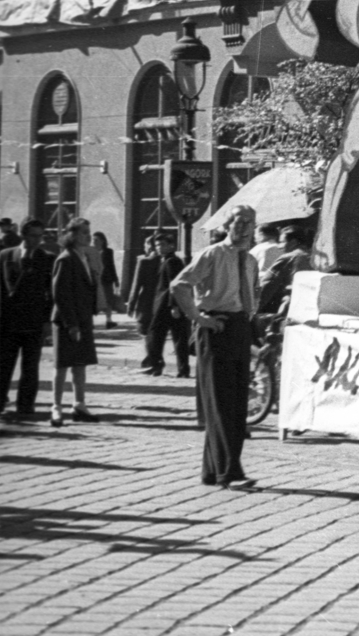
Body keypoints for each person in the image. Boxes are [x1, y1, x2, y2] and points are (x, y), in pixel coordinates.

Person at [170, 205, 260, 489]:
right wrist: (199, 317)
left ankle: (212, 471)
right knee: (221, 404)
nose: (244, 228)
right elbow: (179, 285)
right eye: (239, 222)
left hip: (240, 328)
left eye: (250, 223)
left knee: (236, 405)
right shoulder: (212, 254)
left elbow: (252, 293)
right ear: (228, 224)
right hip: (216, 329)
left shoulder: (251, 261)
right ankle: (229, 473)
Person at [0, 219, 52, 422]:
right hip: (9, 321)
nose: (38, 240)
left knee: (30, 367)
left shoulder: (47, 258)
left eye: (41, 236)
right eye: (34, 236)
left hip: (34, 321)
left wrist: (47, 321)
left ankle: (25, 405)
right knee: (4, 365)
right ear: (23, 234)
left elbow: (50, 293)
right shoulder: (5, 255)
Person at [49, 218, 100, 427]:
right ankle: (56, 407)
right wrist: (71, 324)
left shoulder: (84, 257)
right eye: (83, 233)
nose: (88, 236)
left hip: (83, 318)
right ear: (72, 235)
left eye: (89, 232)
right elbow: (60, 294)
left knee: (80, 364)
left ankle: (79, 404)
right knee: (62, 365)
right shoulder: (65, 259)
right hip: (67, 321)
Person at [132, 233, 188, 377]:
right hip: (167, 305)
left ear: (171, 246)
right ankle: (181, 369)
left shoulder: (171, 262)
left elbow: (173, 285)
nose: (159, 248)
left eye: (162, 244)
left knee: (155, 336)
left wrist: (174, 306)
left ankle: (157, 365)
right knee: (176, 338)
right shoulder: (167, 260)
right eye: (157, 245)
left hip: (166, 306)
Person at [258, 226, 312, 320]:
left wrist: (253, 308)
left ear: (293, 242)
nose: (279, 246)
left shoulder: (288, 258)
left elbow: (267, 285)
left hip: (288, 309)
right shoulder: (313, 257)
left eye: (282, 242)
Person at [91, 231, 121, 329]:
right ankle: (91, 322)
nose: (94, 242)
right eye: (93, 240)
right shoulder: (90, 251)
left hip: (106, 280)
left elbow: (111, 266)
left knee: (108, 300)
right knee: (93, 300)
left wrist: (116, 279)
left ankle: (109, 321)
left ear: (102, 241)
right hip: (94, 280)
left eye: (96, 240)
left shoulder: (108, 252)